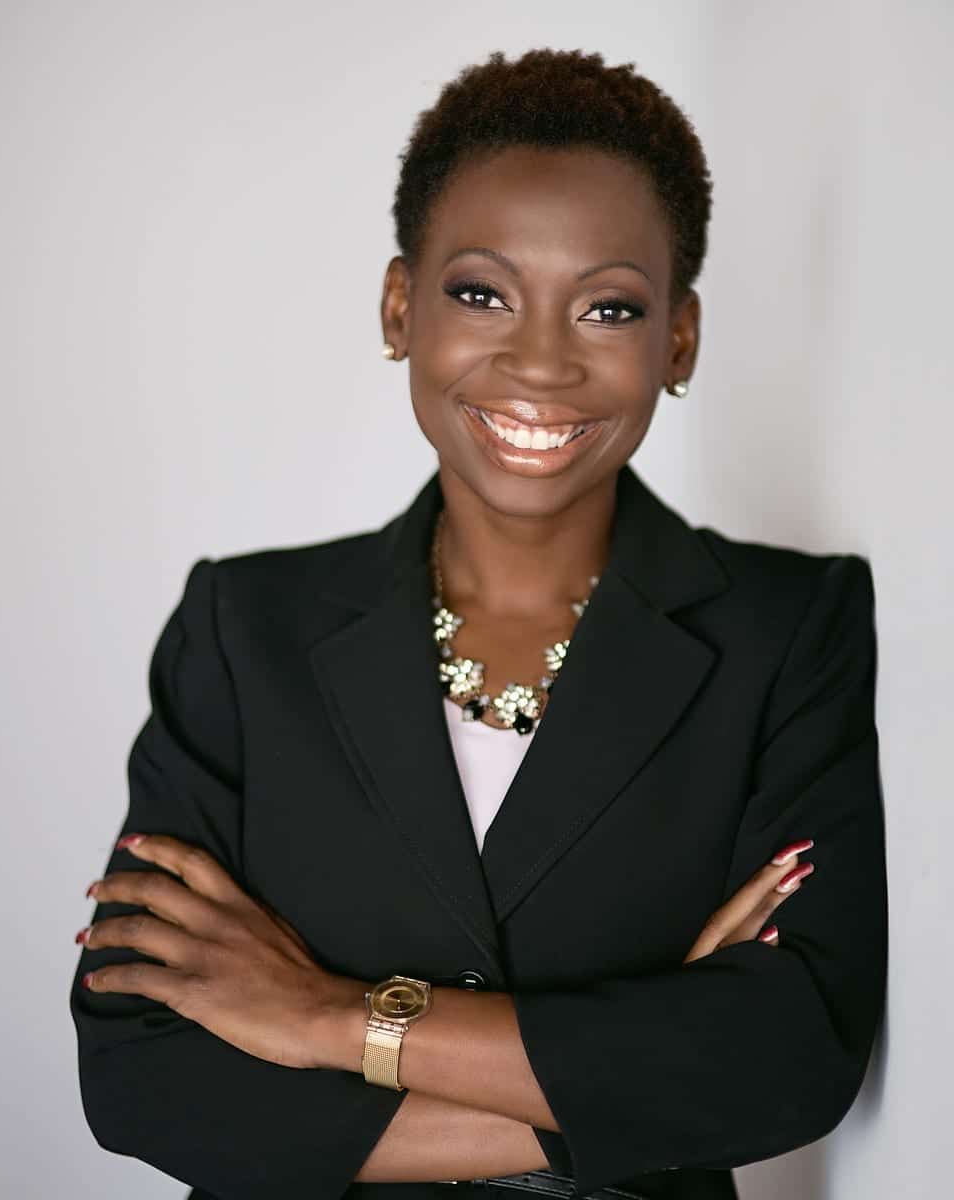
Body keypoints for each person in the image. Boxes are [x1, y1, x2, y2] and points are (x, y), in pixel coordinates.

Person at [69, 48, 887, 1200]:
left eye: (609, 306)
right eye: (481, 292)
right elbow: (140, 1073)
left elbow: (792, 1060)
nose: (542, 360)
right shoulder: (245, 629)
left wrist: (327, 1018)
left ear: (680, 340)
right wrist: (634, 1081)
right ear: (401, 307)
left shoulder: (788, 630)